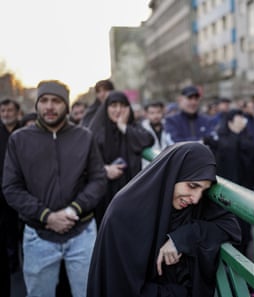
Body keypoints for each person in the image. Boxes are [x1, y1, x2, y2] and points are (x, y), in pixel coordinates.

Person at [87, 142, 241, 297]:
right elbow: (120, 288)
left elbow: (231, 227)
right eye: (192, 186)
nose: (196, 198)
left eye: (204, 190)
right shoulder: (123, 213)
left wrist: (181, 238)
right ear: (173, 174)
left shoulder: (192, 203)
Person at [2, 80, 106, 297]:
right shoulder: (19, 140)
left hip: (82, 234)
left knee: (87, 292)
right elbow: (11, 187)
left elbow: (98, 180)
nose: (49, 106)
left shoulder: (84, 137)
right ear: (37, 105)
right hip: (38, 236)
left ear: (66, 106)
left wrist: (73, 210)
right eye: (44, 100)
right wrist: (46, 216)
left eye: (56, 101)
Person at [88, 91, 154, 227]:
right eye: (113, 105)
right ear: (106, 108)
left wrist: (123, 127)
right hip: (105, 195)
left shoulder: (132, 128)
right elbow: (86, 162)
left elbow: (148, 140)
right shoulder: (95, 131)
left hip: (130, 193)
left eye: (123, 106)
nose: (118, 110)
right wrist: (104, 170)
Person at [204, 109, 254, 255]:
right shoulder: (220, 139)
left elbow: (252, 156)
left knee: (244, 229)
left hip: (245, 189)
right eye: (238, 118)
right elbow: (225, 154)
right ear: (229, 122)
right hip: (225, 192)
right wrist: (235, 136)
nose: (242, 121)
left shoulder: (247, 136)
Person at [0, 98, 21, 296]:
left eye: (9, 110)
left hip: (22, 194)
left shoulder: (24, 133)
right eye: (3, 110)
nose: (6, 114)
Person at [141, 101, 174, 168]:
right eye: (152, 113)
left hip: (167, 165)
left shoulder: (169, 126)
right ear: (146, 114)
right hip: (148, 167)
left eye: (158, 112)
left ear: (163, 112)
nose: (156, 116)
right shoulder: (141, 129)